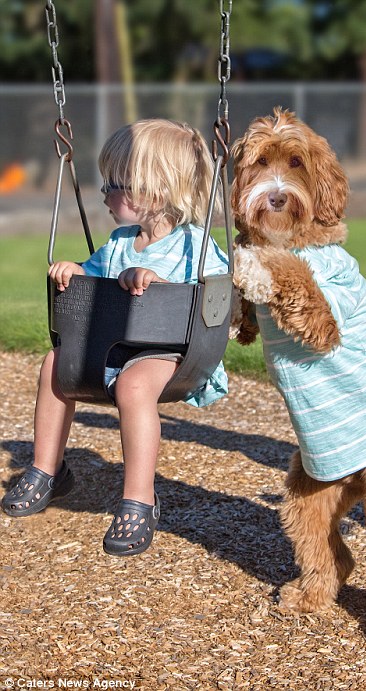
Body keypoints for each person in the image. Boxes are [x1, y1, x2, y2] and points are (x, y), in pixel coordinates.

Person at [1, 119, 229, 557]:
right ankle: (47, 469)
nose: (105, 193)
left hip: (168, 353)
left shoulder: (193, 245)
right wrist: (76, 271)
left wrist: (154, 280)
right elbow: (95, 274)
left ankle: (139, 499)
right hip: (112, 348)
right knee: (55, 363)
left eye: (117, 185)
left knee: (134, 385)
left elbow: (215, 290)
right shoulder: (119, 241)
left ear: (157, 191)